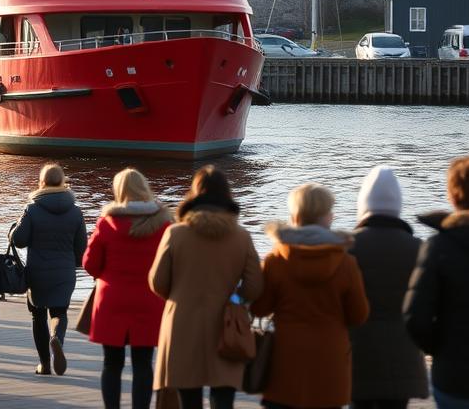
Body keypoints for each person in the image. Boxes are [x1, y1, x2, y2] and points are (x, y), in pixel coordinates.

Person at [149, 165, 263, 409]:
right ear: (227, 195)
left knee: (188, 396)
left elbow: (158, 282)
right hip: (227, 325)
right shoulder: (241, 236)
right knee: (223, 396)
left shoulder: (176, 233)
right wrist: (235, 298)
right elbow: (254, 286)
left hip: (182, 322)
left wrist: (181, 293)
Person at [403, 154, 469, 408]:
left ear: (454, 195)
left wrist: (441, 350)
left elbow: (414, 317)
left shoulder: (440, 246)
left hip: (455, 378)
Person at [251, 183, 370, 409]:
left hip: (284, 365)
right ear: (326, 217)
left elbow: (260, 308)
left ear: (294, 216)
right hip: (330, 365)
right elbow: (359, 316)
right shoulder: (346, 262)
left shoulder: (276, 259)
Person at [83, 168, 172, 409]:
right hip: (150, 301)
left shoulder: (107, 222)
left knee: (111, 363)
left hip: (111, 301)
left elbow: (89, 264)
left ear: (118, 191)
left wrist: (107, 275)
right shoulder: (163, 225)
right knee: (143, 364)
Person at [349, 166, 429, 409]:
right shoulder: (420, 249)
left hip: (355, 356)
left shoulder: (345, 249)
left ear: (362, 205)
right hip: (402, 358)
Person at [10, 162, 87, 377]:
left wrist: (15, 227)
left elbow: (19, 240)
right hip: (64, 273)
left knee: (38, 315)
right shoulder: (76, 212)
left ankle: (44, 364)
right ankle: (57, 339)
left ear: (41, 182)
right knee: (59, 312)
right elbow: (82, 249)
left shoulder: (33, 208)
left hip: (38, 272)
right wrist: (73, 265)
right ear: (63, 182)